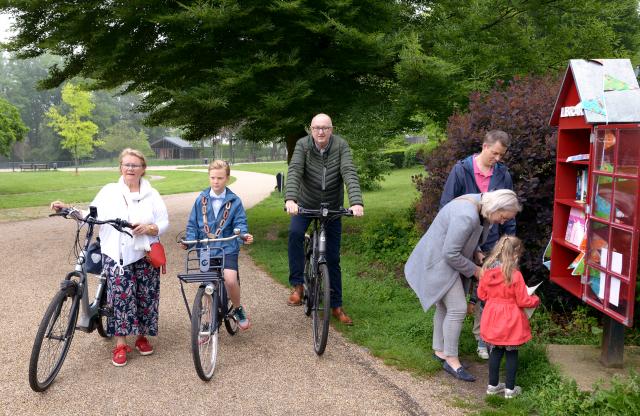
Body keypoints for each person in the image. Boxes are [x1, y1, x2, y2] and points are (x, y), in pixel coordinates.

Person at [51, 148, 169, 367]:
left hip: (144, 254)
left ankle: (142, 337)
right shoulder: (109, 191)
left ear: (143, 169)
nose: (130, 169)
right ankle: (121, 344)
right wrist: (69, 210)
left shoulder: (152, 195)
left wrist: (150, 228)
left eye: (135, 165)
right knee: (121, 299)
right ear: (120, 167)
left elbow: (163, 222)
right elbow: (90, 216)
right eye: (126, 164)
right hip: (116, 255)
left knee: (145, 298)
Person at [404, 189, 521, 382]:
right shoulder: (467, 215)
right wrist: (477, 271)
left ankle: (440, 351)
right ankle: (451, 359)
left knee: (444, 306)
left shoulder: (479, 205)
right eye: (502, 217)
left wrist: (477, 252)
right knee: (457, 309)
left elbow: (461, 237)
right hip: (438, 263)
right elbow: (450, 253)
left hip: (441, 259)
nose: (502, 222)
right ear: (495, 207)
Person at [439, 129, 515, 360]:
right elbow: (446, 206)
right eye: (495, 153)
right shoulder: (461, 170)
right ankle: (446, 345)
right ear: (484, 146)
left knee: (491, 293)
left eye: (502, 155)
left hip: (493, 242)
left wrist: (509, 244)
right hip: (463, 242)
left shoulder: (503, 174)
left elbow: (508, 211)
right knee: (457, 295)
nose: (498, 159)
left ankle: (483, 339)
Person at [285, 113, 364, 325]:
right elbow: (294, 171)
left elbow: (349, 171)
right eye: (317, 128)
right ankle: (298, 286)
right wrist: (291, 199)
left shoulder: (341, 146)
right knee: (294, 234)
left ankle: (336, 305)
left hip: (332, 206)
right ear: (311, 129)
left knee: (333, 257)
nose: (321, 132)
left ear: (332, 129)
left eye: (325, 128)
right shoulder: (302, 145)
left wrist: (356, 202)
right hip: (305, 203)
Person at [184, 159, 254, 330]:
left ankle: (237, 309)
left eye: (220, 178)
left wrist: (243, 236)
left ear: (227, 178)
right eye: (213, 178)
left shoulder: (235, 201)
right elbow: (193, 224)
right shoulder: (200, 199)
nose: (216, 182)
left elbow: (240, 224)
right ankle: (208, 318)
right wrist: (189, 241)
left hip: (227, 247)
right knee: (208, 283)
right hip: (206, 248)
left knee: (230, 279)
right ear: (209, 177)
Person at [478, 235, 540, 398]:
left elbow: (481, 294)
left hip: (492, 316)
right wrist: (535, 300)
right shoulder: (515, 275)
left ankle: (492, 386)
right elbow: (523, 300)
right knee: (511, 352)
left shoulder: (486, 271)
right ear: (514, 254)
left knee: (496, 351)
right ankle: (510, 390)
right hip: (511, 318)